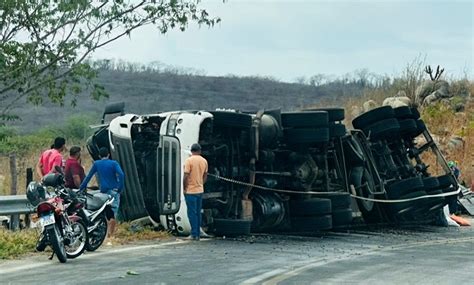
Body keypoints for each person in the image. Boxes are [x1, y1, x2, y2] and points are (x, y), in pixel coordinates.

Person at [79, 147, 124, 245]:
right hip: (113, 191)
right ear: (108, 154)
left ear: (99, 155)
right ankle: (110, 236)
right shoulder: (114, 163)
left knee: (104, 212)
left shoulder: (97, 164)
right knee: (113, 213)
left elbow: (88, 177)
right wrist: (120, 188)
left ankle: (103, 235)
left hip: (103, 192)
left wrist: (81, 188)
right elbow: (121, 174)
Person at [183, 143, 208, 241]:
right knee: (198, 212)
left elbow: (185, 176)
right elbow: (205, 175)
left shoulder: (189, 160)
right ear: (199, 151)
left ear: (191, 151)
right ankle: (198, 233)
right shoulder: (204, 161)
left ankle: (194, 234)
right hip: (200, 190)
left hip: (190, 191)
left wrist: (184, 188)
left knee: (191, 213)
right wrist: (201, 184)